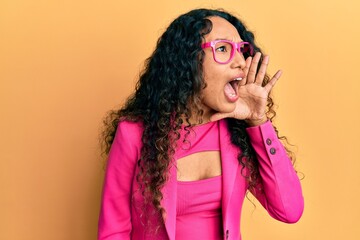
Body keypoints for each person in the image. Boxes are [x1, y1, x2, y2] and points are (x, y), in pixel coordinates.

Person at [98, 8, 304, 240]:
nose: (240, 62)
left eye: (241, 50)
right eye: (223, 49)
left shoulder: (238, 134)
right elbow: (113, 231)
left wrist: (258, 121)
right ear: (188, 62)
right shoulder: (135, 133)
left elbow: (289, 210)